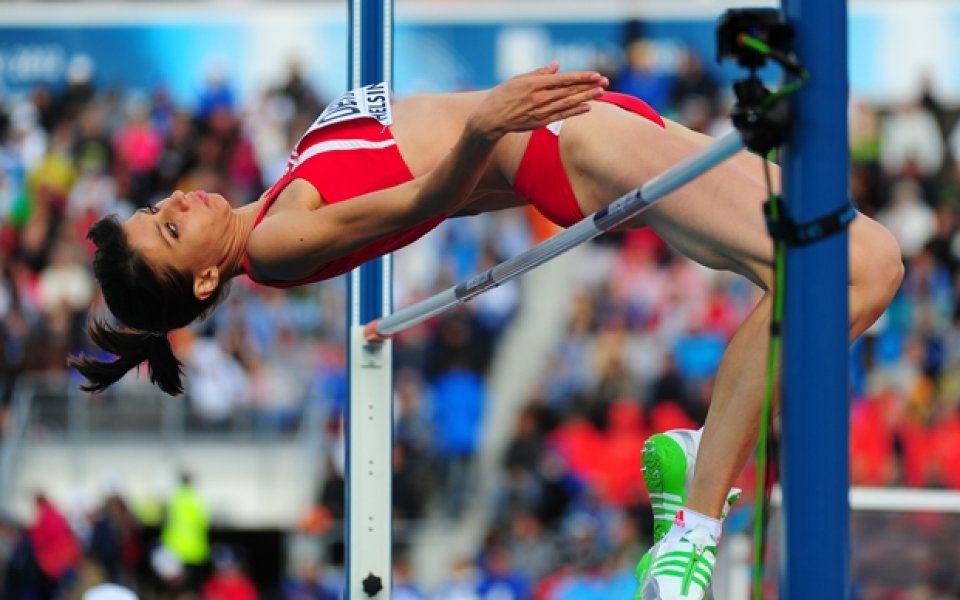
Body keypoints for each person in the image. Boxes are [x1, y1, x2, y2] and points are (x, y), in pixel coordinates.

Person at [68, 62, 904, 599]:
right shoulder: (276, 245)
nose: (174, 203)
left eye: (154, 210)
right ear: (206, 279)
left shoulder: (276, 190)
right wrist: (485, 124)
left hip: (581, 127)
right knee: (839, 268)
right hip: (564, 146)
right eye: (169, 232)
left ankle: (702, 465)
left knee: (862, 266)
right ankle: (694, 522)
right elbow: (419, 202)